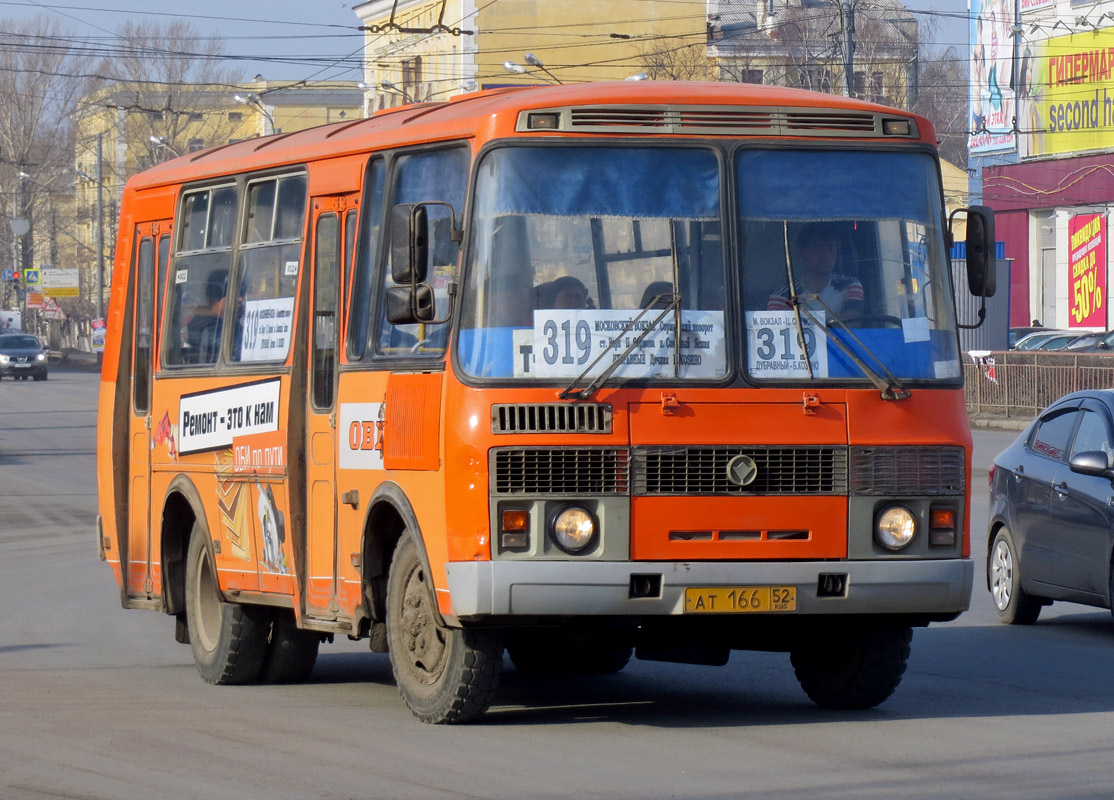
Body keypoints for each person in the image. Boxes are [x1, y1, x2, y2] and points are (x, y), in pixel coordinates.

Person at [767, 222, 863, 318]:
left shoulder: (849, 286)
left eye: (830, 248)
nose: (825, 255)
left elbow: (852, 325)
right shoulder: (783, 297)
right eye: (817, 248)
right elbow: (779, 330)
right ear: (800, 252)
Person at [186, 269, 228, 362]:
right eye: (235, 295)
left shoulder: (226, 323)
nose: (241, 300)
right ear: (217, 299)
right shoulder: (207, 327)